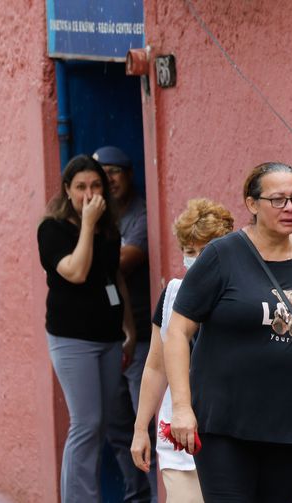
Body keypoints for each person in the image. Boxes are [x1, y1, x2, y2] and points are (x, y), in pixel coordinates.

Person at [164, 162, 292, 502]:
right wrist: (182, 407)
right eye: (278, 199)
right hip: (226, 426)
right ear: (252, 203)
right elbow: (178, 331)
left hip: (290, 426)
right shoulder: (221, 255)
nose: (289, 208)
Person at [37, 154, 137, 502]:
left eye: (95, 186)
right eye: (80, 187)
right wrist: (88, 226)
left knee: (102, 424)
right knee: (86, 423)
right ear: (67, 190)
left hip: (109, 338)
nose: (89, 193)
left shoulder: (109, 228)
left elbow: (115, 279)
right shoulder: (53, 229)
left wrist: (130, 330)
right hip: (72, 338)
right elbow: (76, 272)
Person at [131, 198, 235, 503]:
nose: (197, 260)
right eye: (190, 252)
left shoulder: (242, 296)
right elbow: (155, 366)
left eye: (206, 251)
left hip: (233, 434)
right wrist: (140, 430)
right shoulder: (173, 294)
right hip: (178, 436)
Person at [93, 145, 157, 502]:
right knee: (116, 429)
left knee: (145, 428)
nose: (110, 179)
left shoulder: (141, 213)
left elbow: (124, 260)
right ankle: (136, 498)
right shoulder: (97, 218)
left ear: (129, 174)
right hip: (103, 339)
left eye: (116, 171)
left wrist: (84, 250)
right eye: (104, 174)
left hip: (143, 339)